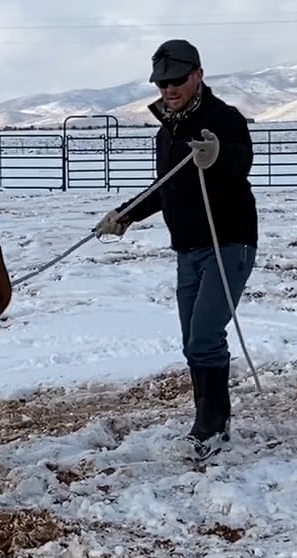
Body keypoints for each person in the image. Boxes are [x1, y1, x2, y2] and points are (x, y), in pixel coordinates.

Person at [94, 38, 257, 455]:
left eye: (177, 80)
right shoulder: (167, 131)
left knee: (204, 337)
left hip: (228, 243)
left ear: (198, 75)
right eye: (162, 83)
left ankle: (211, 427)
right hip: (187, 248)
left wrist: (217, 156)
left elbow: (239, 163)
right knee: (193, 341)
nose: (169, 89)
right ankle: (209, 420)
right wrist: (125, 214)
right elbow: (165, 188)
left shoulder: (224, 119)